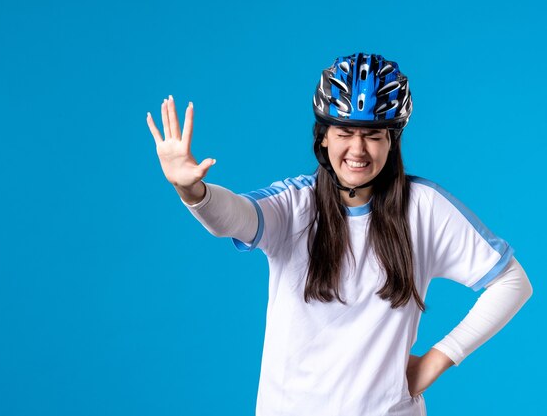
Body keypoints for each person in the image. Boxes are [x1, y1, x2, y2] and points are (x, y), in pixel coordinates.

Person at [146, 53, 533, 416]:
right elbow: (233, 217)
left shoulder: (424, 207)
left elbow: (512, 282)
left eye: (374, 135)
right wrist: (192, 191)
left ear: (392, 140)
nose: (358, 149)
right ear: (324, 136)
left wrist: (437, 359)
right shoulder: (295, 205)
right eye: (345, 131)